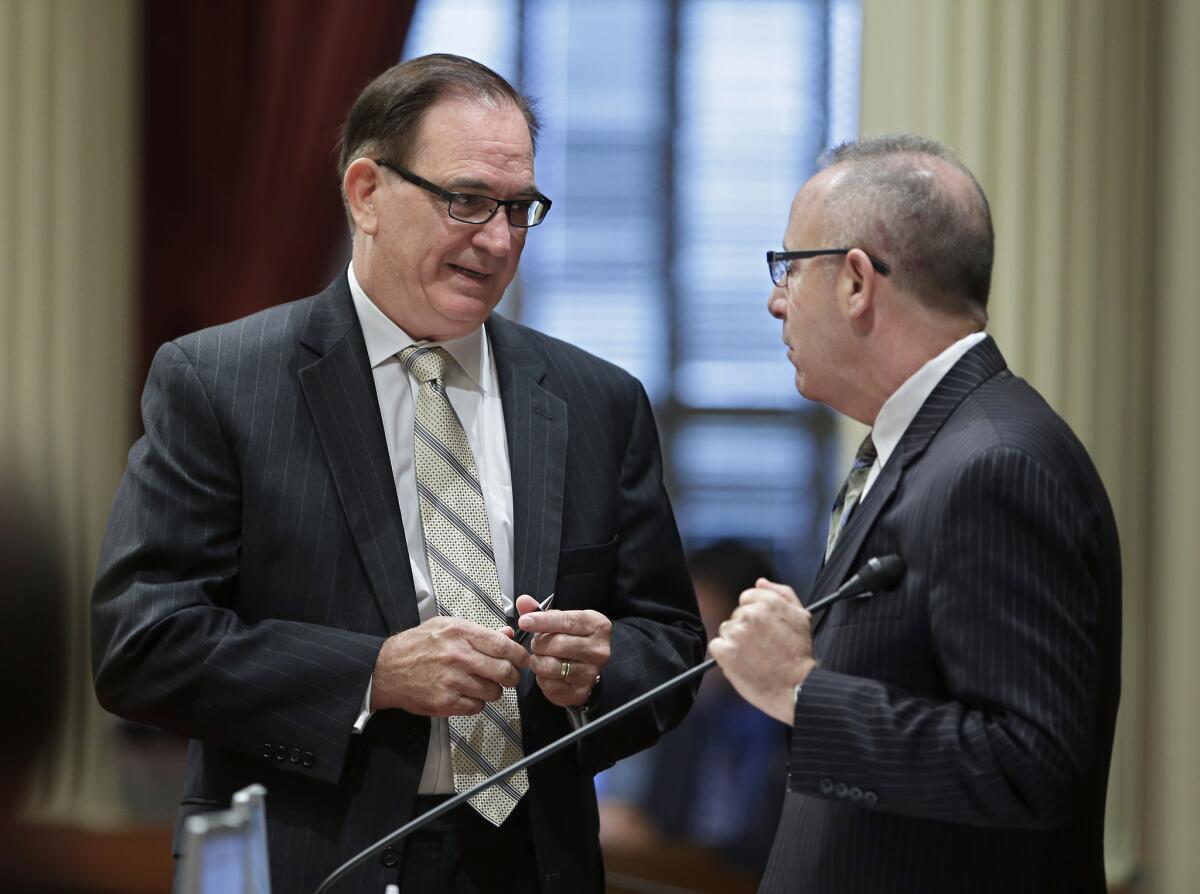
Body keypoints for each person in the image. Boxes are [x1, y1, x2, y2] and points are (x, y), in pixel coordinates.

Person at [92, 53, 704, 894]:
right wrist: (373, 674)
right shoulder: (222, 382)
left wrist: (597, 672)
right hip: (310, 856)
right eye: (466, 200)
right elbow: (142, 642)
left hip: (531, 863)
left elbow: (669, 645)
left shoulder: (598, 401)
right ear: (366, 193)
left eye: (518, 208)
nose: (496, 238)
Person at [709, 134, 1121, 893]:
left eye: (789, 269)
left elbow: (1029, 766)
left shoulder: (994, 463)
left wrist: (800, 689)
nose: (775, 300)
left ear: (857, 281)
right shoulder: (929, 449)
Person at [599, 541, 785, 877]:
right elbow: (651, 821)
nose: (691, 651)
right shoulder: (680, 715)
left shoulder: (787, 728)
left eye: (708, 628)